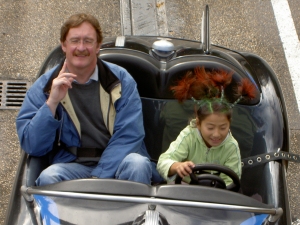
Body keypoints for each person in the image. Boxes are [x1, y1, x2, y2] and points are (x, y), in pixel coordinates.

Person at [16, 13, 163, 186]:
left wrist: (98, 180)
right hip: (74, 165)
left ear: (98, 46)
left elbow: (130, 135)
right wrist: (52, 103)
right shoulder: (44, 87)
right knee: (50, 176)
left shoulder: (122, 81)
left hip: (118, 165)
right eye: (75, 40)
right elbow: (32, 145)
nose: (81, 47)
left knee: (138, 165)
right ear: (63, 45)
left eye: (88, 41)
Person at [157, 67, 258, 186]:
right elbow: (163, 162)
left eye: (223, 128)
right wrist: (177, 166)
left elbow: (231, 181)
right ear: (198, 123)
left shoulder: (231, 147)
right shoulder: (189, 136)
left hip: (216, 195)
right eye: (210, 128)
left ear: (229, 124)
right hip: (184, 191)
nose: (216, 134)